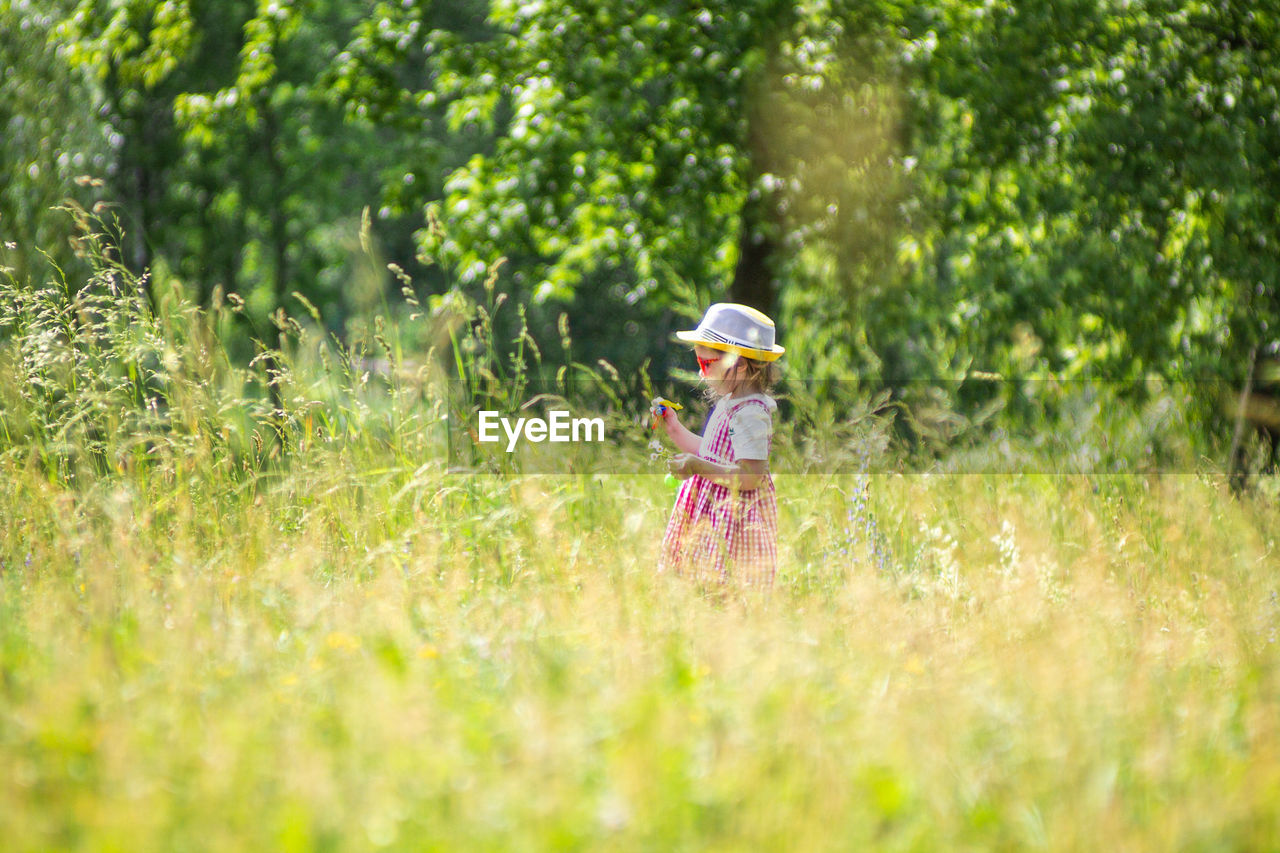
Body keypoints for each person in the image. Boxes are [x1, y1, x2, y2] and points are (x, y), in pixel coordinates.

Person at [651, 303, 783, 586]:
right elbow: (712, 452)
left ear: (738, 363)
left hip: (733, 521)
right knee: (701, 585)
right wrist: (674, 427)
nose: (701, 374)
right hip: (712, 513)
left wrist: (698, 467)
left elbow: (750, 477)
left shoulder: (750, 414)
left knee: (725, 587)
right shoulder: (732, 403)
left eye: (706, 364)